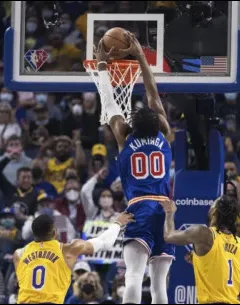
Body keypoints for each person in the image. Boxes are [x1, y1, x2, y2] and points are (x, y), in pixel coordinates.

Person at [95, 32, 172, 304]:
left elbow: (109, 103)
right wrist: (140, 56)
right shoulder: (165, 136)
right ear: (158, 121)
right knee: (160, 284)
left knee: (134, 276)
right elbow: (153, 94)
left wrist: (102, 66)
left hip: (139, 207)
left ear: (132, 125)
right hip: (165, 209)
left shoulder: (124, 138)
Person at [13, 213, 134, 304]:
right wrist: (117, 223)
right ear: (55, 232)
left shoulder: (18, 254)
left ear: (33, 233)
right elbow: (104, 242)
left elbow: (24, 281)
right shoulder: (68, 250)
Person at [159, 196, 240, 304]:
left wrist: (169, 212)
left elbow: (169, 236)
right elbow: (223, 266)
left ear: (214, 212)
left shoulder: (203, 233)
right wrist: (199, 259)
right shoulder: (239, 243)